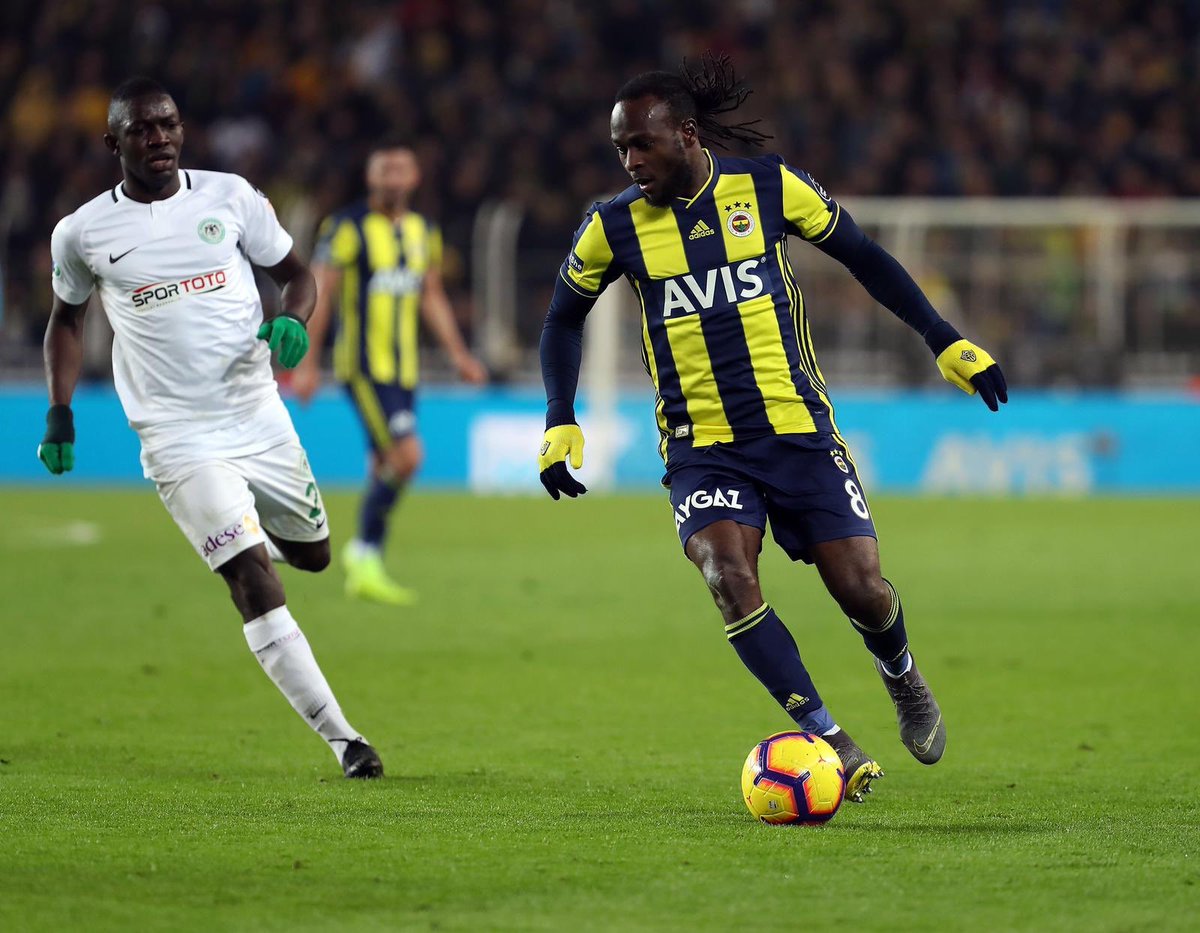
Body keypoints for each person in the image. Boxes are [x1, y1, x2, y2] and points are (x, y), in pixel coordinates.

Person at [536, 56, 1007, 802]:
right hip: (702, 447)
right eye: (621, 149)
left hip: (796, 431)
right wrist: (561, 416)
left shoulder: (769, 185)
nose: (631, 162)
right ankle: (829, 738)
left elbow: (864, 257)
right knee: (727, 574)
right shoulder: (613, 225)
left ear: (687, 134)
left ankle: (902, 675)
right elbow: (564, 318)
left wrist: (942, 337)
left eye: (643, 144)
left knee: (862, 589)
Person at [37, 77, 383, 779]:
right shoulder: (82, 232)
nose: (158, 138)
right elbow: (66, 321)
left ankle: (243, 534)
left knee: (314, 555)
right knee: (251, 579)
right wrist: (60, 410)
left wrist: (293, 318)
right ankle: (346, 740)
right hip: (176, 434)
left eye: (167, 124)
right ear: (113, 143)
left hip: (256, 412)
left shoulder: (231, 197)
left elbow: (298, 275)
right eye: (141, 129)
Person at [293, 141, 487, 605]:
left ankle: (367, 568)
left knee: (386, 463)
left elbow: (430, 294)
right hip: (364, 366)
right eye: (385, 169)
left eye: (401, 169)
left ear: (415, 177)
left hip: (405, 369)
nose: (393, 178)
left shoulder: (423, 230)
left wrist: (459, 354)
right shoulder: (346, 227)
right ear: (371, 176)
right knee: (408, 456)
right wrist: (307, 363)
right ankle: (363, 551)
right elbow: (322, 290)